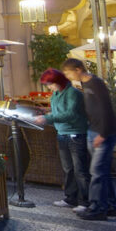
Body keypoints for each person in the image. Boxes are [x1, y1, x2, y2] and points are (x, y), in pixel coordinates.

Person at [62, 58, 116, 220]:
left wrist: (102, 133)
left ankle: (97, 208)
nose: (67, 76)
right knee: (102, 172)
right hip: (94, 130)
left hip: (104, 133)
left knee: (96, 171)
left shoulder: (96, 83)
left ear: (78, 69)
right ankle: (111, 206)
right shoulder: (85, 85)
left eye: (68, 72)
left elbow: (105, 109)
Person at [35, 68, 90, 212]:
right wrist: (47, 114)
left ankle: (85, 201)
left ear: (58, 81)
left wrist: (48, 118)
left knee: (80, 169)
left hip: (76, 134)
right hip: (62, 133)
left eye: (50, 84)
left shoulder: (74, 93)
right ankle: (70, 198)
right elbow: (58, 112)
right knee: (68, 169)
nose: (49, 87)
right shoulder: (55, 94)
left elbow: (71, 114)